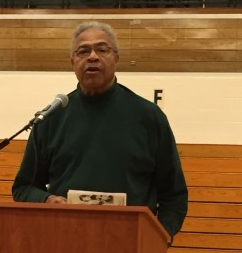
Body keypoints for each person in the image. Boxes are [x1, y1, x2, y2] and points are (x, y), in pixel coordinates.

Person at [12, 21, 188, 240]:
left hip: (130, 248)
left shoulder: (149, 117)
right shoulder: (50, 118)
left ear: (116, 57)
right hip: (64, 246)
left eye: (102, 49)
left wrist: (161, 237)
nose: (92, 57)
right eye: (83, 51)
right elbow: (23, 188)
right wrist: (47, 200)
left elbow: (174, 195)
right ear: (72, 61)